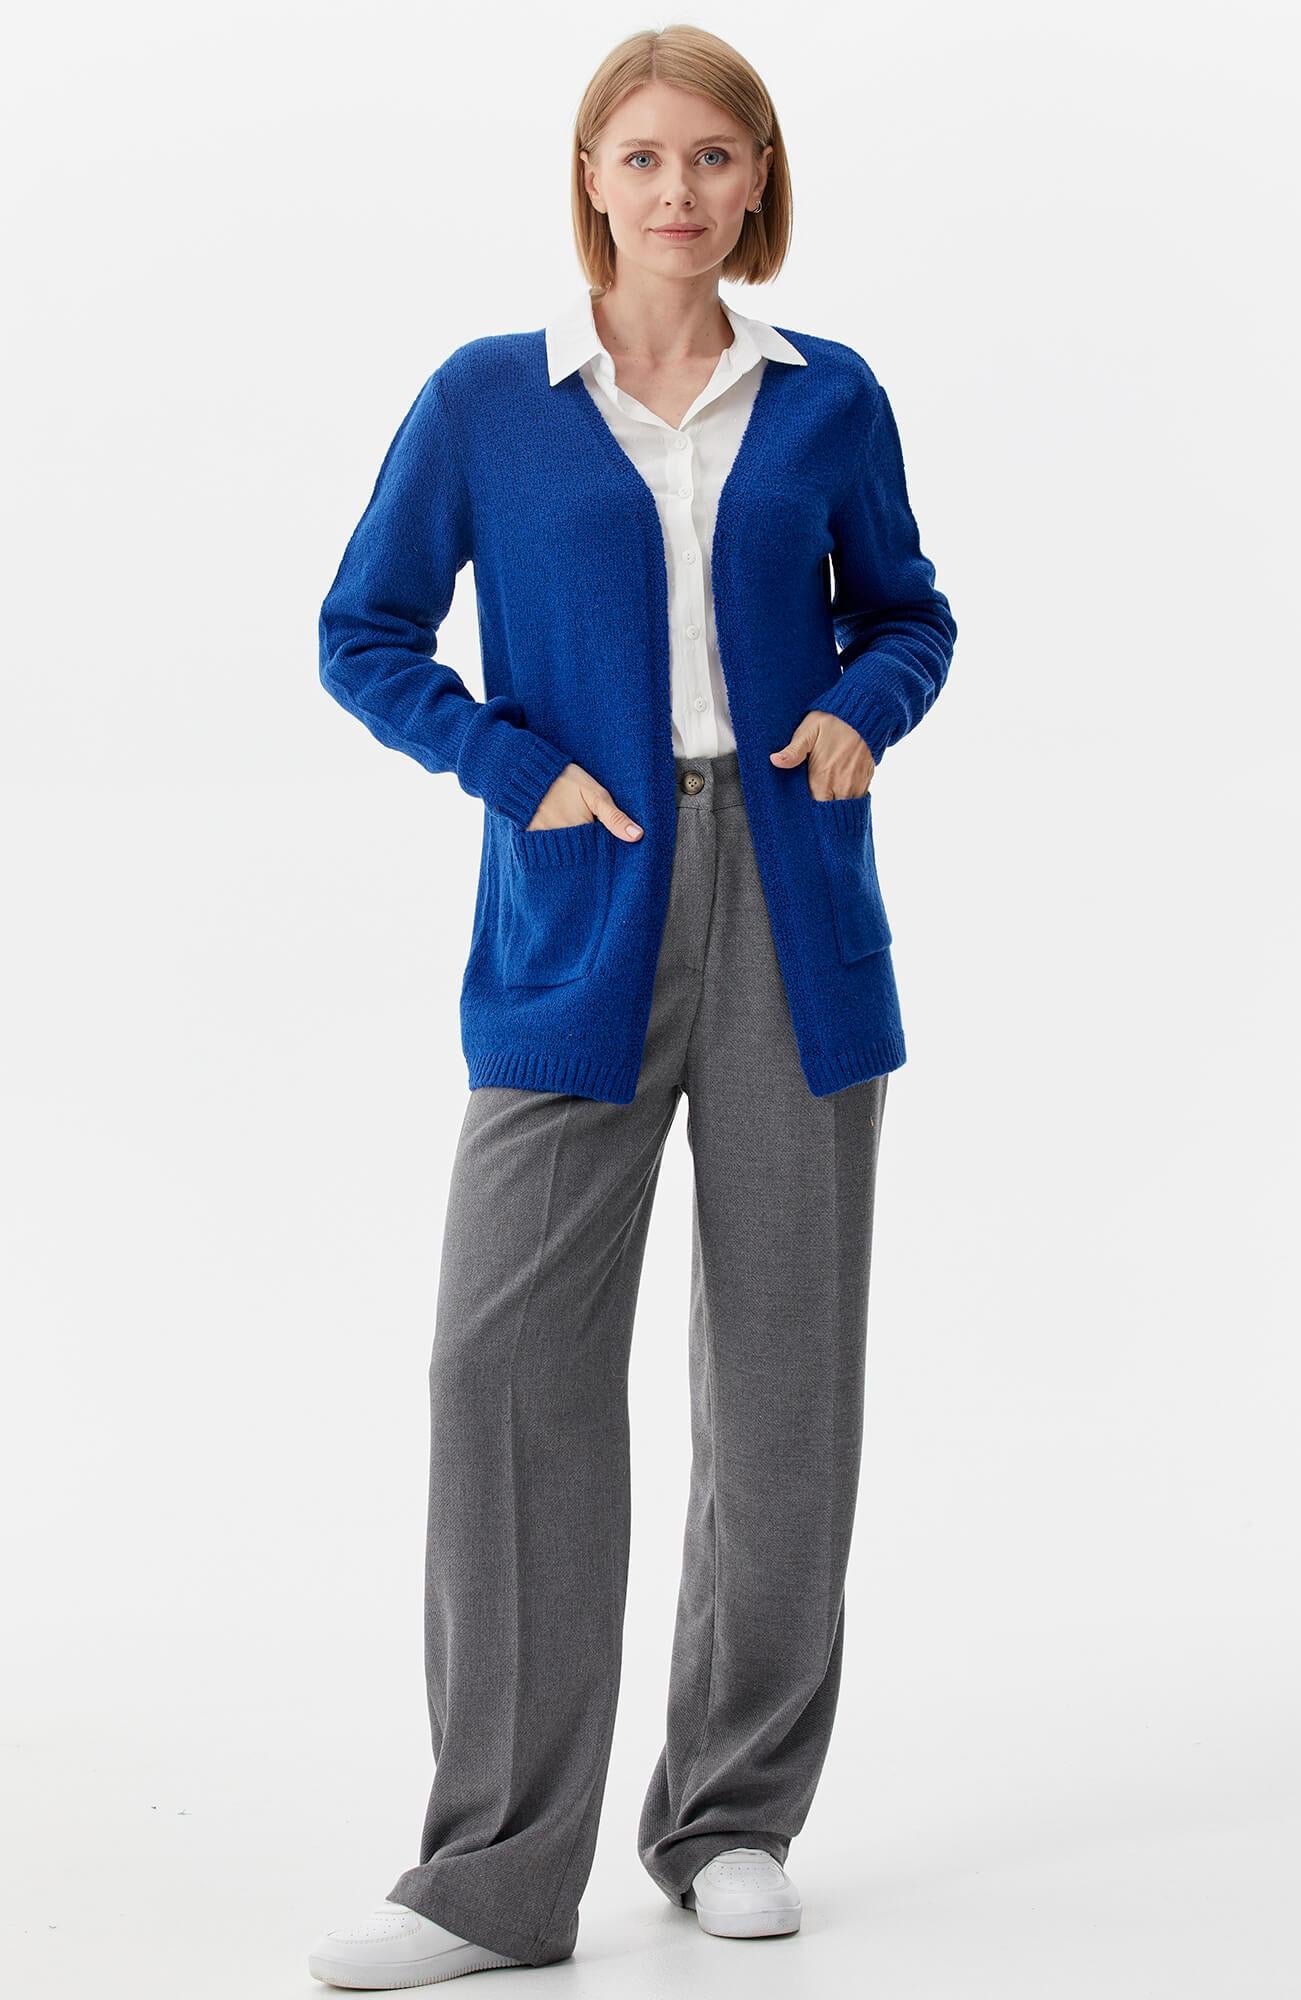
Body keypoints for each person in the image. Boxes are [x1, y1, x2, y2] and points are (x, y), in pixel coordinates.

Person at [307, 22, 957, 1990]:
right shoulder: (488, 402)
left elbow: (907, 612)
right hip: (578, 901)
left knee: (781, 1389)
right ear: (590, 178)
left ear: (759, 181)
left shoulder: (828, 397)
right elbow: (364, 631)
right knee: (498, 1368)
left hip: (794, 911)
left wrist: (860, 710)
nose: (679, 189)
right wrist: (513, 771)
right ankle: (492, 1876)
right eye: (643, 155)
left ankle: (730, 1816)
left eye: (714, 156)